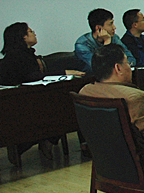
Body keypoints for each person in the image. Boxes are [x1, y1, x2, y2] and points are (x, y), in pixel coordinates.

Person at [1, 22, 83, 165]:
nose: (34, 33)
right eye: (31, 31)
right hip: (19, 103)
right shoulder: (17, 56)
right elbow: (30, 77)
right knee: (60, 107)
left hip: (29, 99)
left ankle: (45, 141)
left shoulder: (25, 54)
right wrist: (64, 73)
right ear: (23, 37)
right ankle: (42, 141)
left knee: (60, 104)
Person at [78, 44, 144, 151]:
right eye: (128, 63)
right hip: (139, 158)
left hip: (102, 155)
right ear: (118, 68)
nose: (130, 68)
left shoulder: (85, 91)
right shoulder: (135, 97)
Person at [75, 8, 136, 74]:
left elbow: (130, 58)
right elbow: (102, 68)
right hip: (91, 78)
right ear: (99, 28)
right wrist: (107, 42)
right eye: (110, 24)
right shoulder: (82, 44)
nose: (114, 27)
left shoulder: (114, 38)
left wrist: (124, 65)